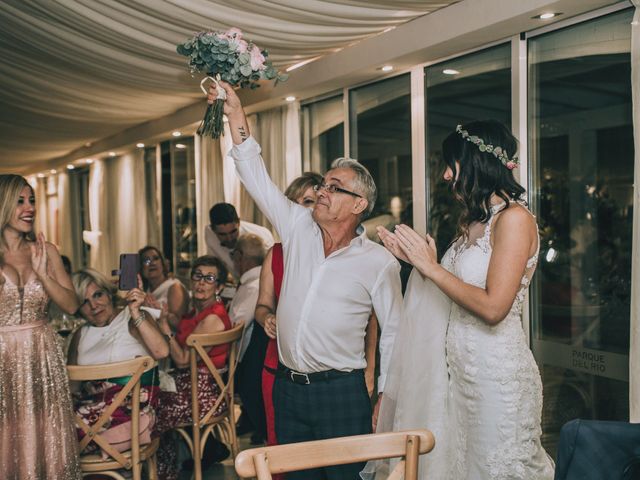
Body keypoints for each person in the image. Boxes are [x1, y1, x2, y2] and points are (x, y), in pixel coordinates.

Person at [208, 82, 403, 480]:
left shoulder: (379, 262)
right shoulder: (297, 227)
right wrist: (235, 114)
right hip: (289, 390)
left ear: (359, 204)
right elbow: (253, 173)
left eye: (334, 187)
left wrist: (385, 396)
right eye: (322, 185)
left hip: (342, 394)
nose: (321, 192)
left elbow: (394, 335)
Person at [374, 121, 555, 479]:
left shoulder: (514, 220)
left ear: (474, 163)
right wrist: (418, 266)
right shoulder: (474, 223)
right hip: (460, 378)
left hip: (497, 378)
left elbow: (493, 308)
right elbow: (454, 292)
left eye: (451, 164)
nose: (445, 175)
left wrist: (431, 267)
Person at [0, 174, 81, 479]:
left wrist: (43, 274)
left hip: (41, 354)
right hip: (2, 357)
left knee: (44, 431)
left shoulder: (47, 251)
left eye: (31, 200)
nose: (29, 207)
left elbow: (72, 305)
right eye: (20, 201)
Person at [67, 269, 170, 454]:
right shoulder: (80, 334)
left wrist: (135, 311)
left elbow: (161, 351)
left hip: (133, 409)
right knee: (50, 429)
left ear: (108, 293)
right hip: (91, 408)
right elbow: (72, 388)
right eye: (84, 302)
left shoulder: (132, 318)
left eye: (98, 295)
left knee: (65, 440)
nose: (94, 305)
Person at [155, 255, 233, 479]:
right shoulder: (198, 311)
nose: (201, 282)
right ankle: (205, 450)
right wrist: (164, 314)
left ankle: (164, 471)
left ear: (218, 287)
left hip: (205, 394)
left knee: (150, 405)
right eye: (197, 276)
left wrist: (162, 327)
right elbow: (184, 326)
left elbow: (181, 360)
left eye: (209, 278)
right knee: (149, 391)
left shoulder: (213, 320)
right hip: (194, 384)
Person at [230, 233, 268, 444]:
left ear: (240, 257)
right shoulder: (253, 282)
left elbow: (237, 324)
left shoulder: (255, 286)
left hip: (247, 363)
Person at [205, 202, 274, 279]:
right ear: (213, 230)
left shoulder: (262, 236)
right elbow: (213, 265)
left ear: (239, 222)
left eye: (233, 232)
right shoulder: (209, 234)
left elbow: (273, 271)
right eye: (222, 234)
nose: (229, 238)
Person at [138, 245, 189, 329]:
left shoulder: (174, 287)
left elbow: (179, 323)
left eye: (156, 258)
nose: (152, 263)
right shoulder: (146, 290)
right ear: (141, 267)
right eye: (146, 260)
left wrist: (158, 311)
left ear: (163, 263)